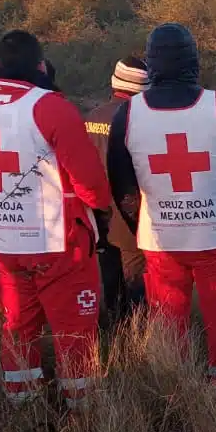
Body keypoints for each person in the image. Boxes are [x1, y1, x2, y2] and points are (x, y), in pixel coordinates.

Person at [0, 29, 113, 432]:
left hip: (3, 242)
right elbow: (90, 182)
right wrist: (101, 212)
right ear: (41, 67)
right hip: (57, 242)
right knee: (75, 331)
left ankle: (22, 406)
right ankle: (81, 416)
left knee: (18, 325)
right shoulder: (51, 106)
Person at [107, 23, 216, 396]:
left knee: (167, 316)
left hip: (161, 242)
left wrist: (143, 225)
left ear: (153, 64)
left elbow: (123, 186)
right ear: (195, 60)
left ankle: (172, 386)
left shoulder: (128, 115)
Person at [82, 53, 150, 331]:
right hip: (131, 214)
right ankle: (139, 338)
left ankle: (113, 332)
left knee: (110, 276)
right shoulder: (142, 119)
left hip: (98, 213)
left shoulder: (92, 117)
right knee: (136, 280)